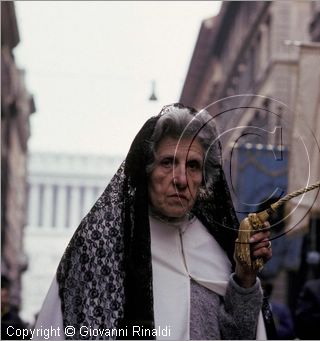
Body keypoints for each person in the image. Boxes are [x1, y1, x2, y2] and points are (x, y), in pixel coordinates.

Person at [35, 103, 274, 339]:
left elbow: (237, 336)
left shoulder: (219, 249)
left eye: (192, 165)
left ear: (204, 178)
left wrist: (245, 279)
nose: (180, 179)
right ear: (146, 170)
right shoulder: (105, 247)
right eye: (168, 162)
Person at [1, 276, 28, 340]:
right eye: (2, 288)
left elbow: (27, 337)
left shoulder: (14, 319)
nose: (5, 291)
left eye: (7, 288)